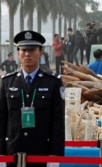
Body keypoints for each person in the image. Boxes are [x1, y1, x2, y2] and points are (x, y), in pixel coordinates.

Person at [0, 30, 65, 167]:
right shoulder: (7, 82)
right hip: (13, 151)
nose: (27, 54)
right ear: (18, 53)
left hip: (41, 151)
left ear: (40, 53)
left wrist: (55, 154)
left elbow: (57, 121)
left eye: (32, 50)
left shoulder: (52, 82)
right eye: (23, 50)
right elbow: (2, 118)